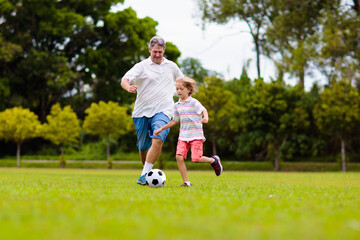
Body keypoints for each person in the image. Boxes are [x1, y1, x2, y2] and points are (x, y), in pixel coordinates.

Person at [121, 36, 184, 185]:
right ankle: (146, 172)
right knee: (143, 146)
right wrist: (128, 87)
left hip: (164, 110)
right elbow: (124, 79)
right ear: (149, 50)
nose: (157, 55)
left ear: (164, 51)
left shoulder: (172, 66)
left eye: (160, 52)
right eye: (154, 51)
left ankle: (143, 175)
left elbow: (182, 82)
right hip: (141, 111)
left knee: (158, 136)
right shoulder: (141, 66)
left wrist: (189, 97)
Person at [154, 77, 223, 187]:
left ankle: (213, 160)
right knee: (179, 157)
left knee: (196, 159)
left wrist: (206, 117)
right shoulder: (177, 105)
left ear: (189, 90)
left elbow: (204, 110)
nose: (179, 91)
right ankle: (186, 182)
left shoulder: (194, 102)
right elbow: (175, 121)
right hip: (183, 136)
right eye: (177, 89)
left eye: (181, 89)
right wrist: (162, 128)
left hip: (196, 135)